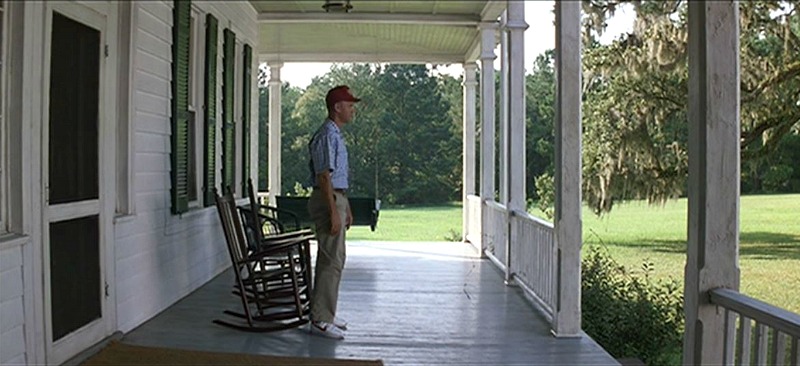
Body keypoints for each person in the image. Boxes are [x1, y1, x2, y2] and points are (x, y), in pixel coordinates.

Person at [306, 85, 360, 339]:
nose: (353, 110)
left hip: (337, 197)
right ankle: (320, 319)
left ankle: (326, 313)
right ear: (337, 107)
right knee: (331, 260)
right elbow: (324, 177)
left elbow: (338, 177)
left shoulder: (335, 134)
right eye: (349, 105)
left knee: (335, 259)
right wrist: (333, 211)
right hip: (328, 198)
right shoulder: (327, 134)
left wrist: (345, 206)